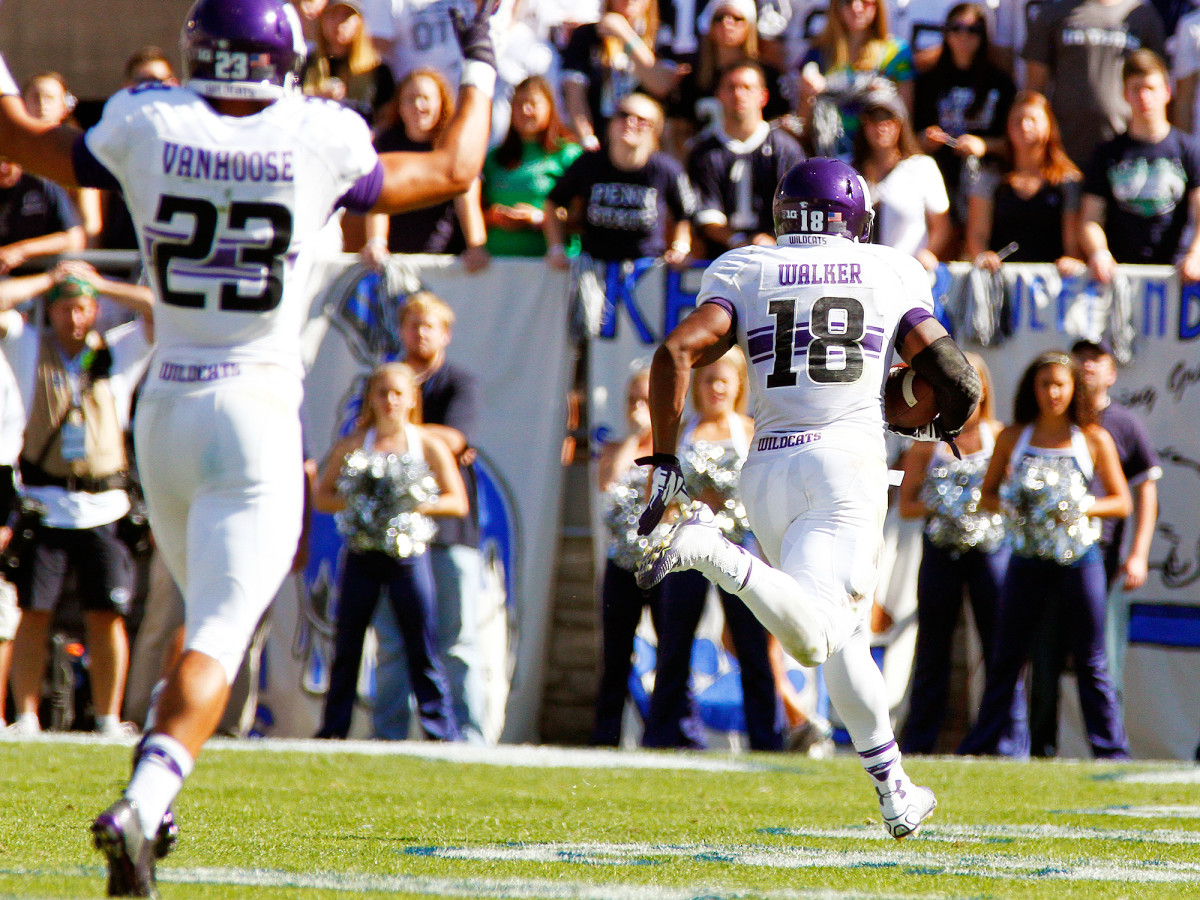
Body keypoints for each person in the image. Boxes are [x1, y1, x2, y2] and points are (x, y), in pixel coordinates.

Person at [0, 0, 498, 891]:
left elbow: (22, 137)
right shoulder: (316, 132)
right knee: (222, 634)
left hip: (166, 408)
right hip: (255, 408)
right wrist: (481, 53)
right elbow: (456, 166)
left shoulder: (151, 120)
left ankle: (154, 804)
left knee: (202, 618)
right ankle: (146, 799)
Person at [636, 157, 981, 838]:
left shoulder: (746, 267)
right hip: (844, 465)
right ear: (856, 219)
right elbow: (955, 375)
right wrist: (939, 422)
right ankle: (711, 550)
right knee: (816, 638)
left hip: (766, 469)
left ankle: (894, 788)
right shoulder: (888, 269)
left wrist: (666, 458)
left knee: (847, 634)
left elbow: (676, 350)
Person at [0, 266, 154, 739]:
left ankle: (107, 717)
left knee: (106, 614)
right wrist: (51, 279)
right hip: (45, 501)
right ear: (50, 311)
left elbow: (158, 311)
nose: (74, 318)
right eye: (65, 308)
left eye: (83, 307)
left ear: (96, 311)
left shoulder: (116, 351)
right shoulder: (29, 348)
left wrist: (98, 282)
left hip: (104, 504)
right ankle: (27, 716)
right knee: (33, 612)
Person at [957, 350, 1132, 759]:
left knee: (1091, 660)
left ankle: (1111, 751)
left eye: (1060, 385)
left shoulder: (1093, 438)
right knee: (1006, 657)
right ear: (1031, 389)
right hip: (1026, 559)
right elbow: (987, 496)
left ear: (1074, 389)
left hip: (1080, 560)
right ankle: (983, 747)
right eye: (1044, 384)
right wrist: (1017, 506)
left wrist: (1079, 506)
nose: (1053, 393)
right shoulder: (1013, 437)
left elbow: (1122, 502)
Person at [1021, 337, 1162, 757]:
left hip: (1100, 560)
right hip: (1045, 558)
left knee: (1101, 663)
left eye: (1097, 359)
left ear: (1112, 372)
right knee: (1043, 660)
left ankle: (1110, 752)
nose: (1086, 365)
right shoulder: (1050, 425)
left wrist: (1138, 553)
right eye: (1079, 358)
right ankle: (1039, 753)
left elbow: (1141, 494)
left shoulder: (1122, 426)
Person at [313, 361, 466, 740]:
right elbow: (322, 496)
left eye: (398, 393)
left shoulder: (427, 444)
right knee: (348, 645)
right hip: (363, 555)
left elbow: (457, 501)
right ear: (371, 399)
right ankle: (333, 730)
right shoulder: (354, 444)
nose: (390, 401)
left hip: (407, 557)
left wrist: (410, 503)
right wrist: (362, 503)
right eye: (382, 393)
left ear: (412, 398)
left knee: (422, 644)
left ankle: (441, 732)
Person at [643, 346, 785, 751]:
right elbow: (659, 491)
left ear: (740, 385)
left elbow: (769, 490)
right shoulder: (680, 432)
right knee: (674, 643)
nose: (716, 388)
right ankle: (664, 736)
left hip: (740, 549)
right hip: (687, 551)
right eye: (708, 379)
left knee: (752, 645)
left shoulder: (751, 431)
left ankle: (767, 739)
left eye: (725, 380)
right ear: (695, 386)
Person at [370, 292, 490, 745]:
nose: (420, 333)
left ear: (446, 334)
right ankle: (389, 739)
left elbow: (456, 438)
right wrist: (430, 440)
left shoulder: (459, 382)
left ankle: (470, 739)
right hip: (390, 535)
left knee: (458, 642)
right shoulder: (386, 379)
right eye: (412, 324)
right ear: (400, 330)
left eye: (429, 325)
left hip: (450, 533)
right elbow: (362, 438)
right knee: (392, 643)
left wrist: (397, 432)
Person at [897, 352, 1021, 754]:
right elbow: (905, 506)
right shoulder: (926, 441)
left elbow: (1016, 499)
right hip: (940, 551)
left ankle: (1008, 744)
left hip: (992, 551)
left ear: (984, 389)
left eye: (971, 381)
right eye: (954, 380)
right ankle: (919, 745)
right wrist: (944, 505)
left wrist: (987, 505)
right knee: (932, 650)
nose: (964, 389)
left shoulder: (1000, 436)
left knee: (1001, 648)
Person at [591, 366, 669, 746]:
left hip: (663, 563)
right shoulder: (615, 448)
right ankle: (605, 736)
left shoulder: (672, 450)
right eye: (632, 400)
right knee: (615, 654)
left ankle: (667, 735)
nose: (638, 408)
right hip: (622, 563)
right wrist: (635, 437)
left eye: (646, 400)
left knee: (671, 651)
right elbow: (608, 482)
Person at [1080, 49, 1200, 284]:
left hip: (1175, 275)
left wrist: (1195, 254)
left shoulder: (1189, 150)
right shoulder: (1107, 153)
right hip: (1119, 276)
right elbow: (1090, 218)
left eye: (1151, 88)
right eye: (1136, 89)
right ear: (1125, 94)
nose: (1144, 97)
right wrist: (1099, 253)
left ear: (1167, 92)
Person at [544, 92, 695, 270]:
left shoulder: (666, 169)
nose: (630, 122)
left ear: (655, 131)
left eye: (641, 120)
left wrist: (680, 248)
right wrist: (556, 248)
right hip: (594, 266)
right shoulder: (588, 163)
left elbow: (685, 214)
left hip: (647, 269)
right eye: (623, 115)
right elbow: (553, 202)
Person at [361, 68, 490, 272]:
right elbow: (379, 198)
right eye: (410, 99)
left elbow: (467, 198)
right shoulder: (386, 143)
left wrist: (475, 247)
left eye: (426, 98)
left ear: (440, 103)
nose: (418, 106)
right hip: (396, 260)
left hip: (446, 263)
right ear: (400, 106)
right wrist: (376, 242)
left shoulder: (454, 145)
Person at [1022, 0, 1166, 170]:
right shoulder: (1052, 14)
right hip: (1064, 146)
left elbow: (1158, 84)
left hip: (1125, 148)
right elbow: (1034, 90)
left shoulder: (1142, 16)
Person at [913, 3, 1014, 239]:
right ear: (946, 33)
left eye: (973, 30)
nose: (963, 36)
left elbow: (1015, 143)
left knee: (978, 178)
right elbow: (911, 137)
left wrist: (983, 145)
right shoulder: (928, 81)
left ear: (983, 36)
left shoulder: (1000, 82)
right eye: (956, 28)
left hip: (985, 177)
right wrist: (925, 139)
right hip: (939, 172)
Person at [687, 60, 805, 261]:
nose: (739, 94)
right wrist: (736, 241)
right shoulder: (703, 153)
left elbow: (798, 208)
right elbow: (705, 213)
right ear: (719, 95)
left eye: (747, 88)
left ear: (763, 96)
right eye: (731, 87)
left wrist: (771, 238)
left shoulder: (785, 149)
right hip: (720, 260)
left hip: (777, 259)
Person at [963, 89, 1084, 273]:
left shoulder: (1067, 181)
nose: (1025, 126)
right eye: (1017, 121)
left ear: (1049, 125)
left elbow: (1072, 246)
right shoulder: (991, 178)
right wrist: (982, 255)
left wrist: (1071, 260)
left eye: (1032, 120)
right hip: (1001, 280)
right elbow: (977, 234)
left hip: (1052, 281)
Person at [559, 0, 688, 152]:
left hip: (647, 145)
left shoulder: (662, 34)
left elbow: (661, 84)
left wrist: (625, 34)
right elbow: (574, 94)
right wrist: (586, 137)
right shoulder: (587, 35)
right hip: (601, 139)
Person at [796, 0, 916, 159]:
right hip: (829, 151)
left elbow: (904, 116)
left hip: (876, 156)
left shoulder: (896, 53)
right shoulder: (819, 52)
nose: (856, 8)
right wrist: (808, 93)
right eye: (847, 2)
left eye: (865, 2)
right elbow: (803, 123)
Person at [666, 0, 789, 152]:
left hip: (758, 157)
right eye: (719, 18)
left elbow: (780, 124)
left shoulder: (767, 75)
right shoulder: (693, 76)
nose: (727, 23)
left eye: (737, 18)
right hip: (706, 158)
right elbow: (679, 130)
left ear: (750, 25)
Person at [480, 74, 582, 258]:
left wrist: (539, 218)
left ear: (550, 107)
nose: (525, 110)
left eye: (533, 104)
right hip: (498, 264)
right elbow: (474, 212)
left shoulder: (569, 155)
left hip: (553, 265)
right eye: (518, 104)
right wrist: (492, 217)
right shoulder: (493, 158)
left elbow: (583, 217)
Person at [850, 89, 952, 271]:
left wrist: (929, 252)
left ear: (901, 123)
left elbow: (941, 226)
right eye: (873, 118)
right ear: (863, 124)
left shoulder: (922, 167)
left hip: (906, 273)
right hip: (857, 275)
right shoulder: (845, 171)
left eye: (889, 118)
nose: (881, 126)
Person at [301, 0, 395, 126]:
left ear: (360, 22)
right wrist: (317, 97)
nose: (339, 23)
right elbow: (293, 104)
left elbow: (387, 119)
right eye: (333, 15)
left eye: (346, 16)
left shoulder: (377, 70)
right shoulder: (306, 63)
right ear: (322, 20)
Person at [0, 157, 85, 276]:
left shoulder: (43, 184)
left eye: (8, 161)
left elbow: (74, 240)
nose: (3, 168)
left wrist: (20, 250)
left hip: (48, 275)